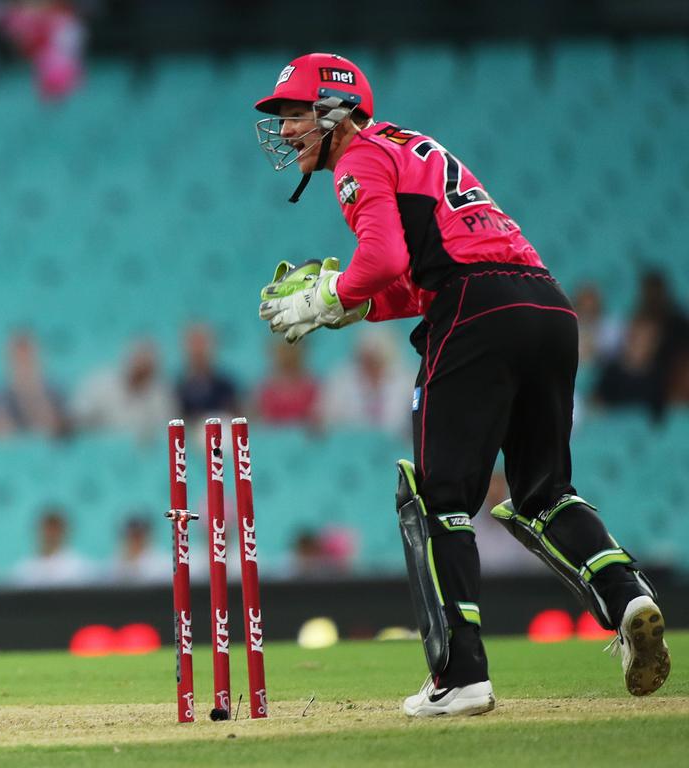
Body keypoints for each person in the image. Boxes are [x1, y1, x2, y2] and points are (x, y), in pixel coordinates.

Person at [253, 53, 670, 716]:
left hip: (474, 309)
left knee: (434, 491)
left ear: (335, 111)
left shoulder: (359, 156)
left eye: (297, 114)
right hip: (545, 307)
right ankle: (630, 599)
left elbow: (387, 260)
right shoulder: (410, 145)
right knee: (543, 492)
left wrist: (334, 288)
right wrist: (348, 304)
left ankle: (461, 676)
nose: (286, 130)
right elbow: (417, 273)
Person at [12, 507, 96, 588]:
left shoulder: (81, 569)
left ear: (64, 532)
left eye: (55, 529)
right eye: (47, 529)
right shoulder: (24, 570)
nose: (51, 534)